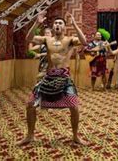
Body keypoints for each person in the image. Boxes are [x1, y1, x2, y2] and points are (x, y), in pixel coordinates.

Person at [18, 12, 87, 145]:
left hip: (64, 78)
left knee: (74, 106)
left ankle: (75, 136)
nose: (57, 25)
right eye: (56, 23)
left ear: (64, 27)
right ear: (53, 26)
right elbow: (29, 38)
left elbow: (84, 41)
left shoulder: (69, 40)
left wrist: (75, 24)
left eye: (60, 23)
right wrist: (36, 23)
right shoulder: (46, 39)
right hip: (49, 77)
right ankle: (30, 135)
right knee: (30, 105)